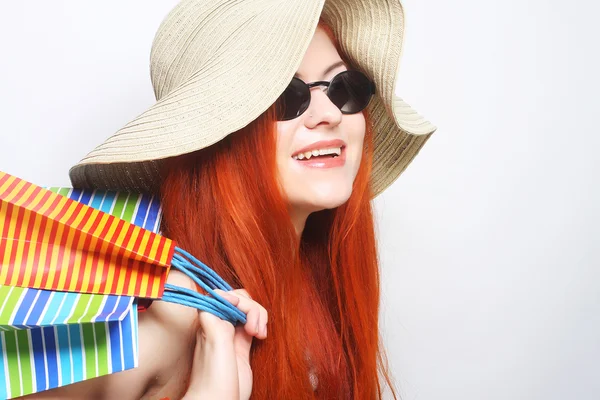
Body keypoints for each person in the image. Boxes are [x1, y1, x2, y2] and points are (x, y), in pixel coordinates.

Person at [20, 0, 436, 398]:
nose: (328, 112)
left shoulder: (315, 282)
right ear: (218, 140)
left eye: (345, 88)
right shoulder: (172, 310)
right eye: (286, 96)